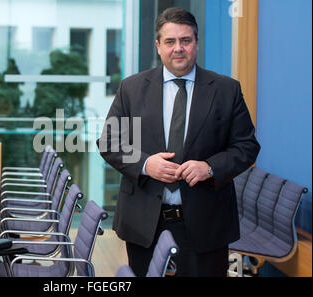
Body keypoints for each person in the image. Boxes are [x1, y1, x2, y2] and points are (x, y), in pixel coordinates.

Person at [97, 7, 260, 277]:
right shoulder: (132, 88)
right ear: (159, 46)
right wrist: (146, 164)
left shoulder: (226, 90)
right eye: (170, 42)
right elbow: (109, 142)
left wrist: (209, 167)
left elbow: (246, 146)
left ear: (196, 43)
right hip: (144, 219)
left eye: (185, 40)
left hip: (206, 221)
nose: (178, 49)